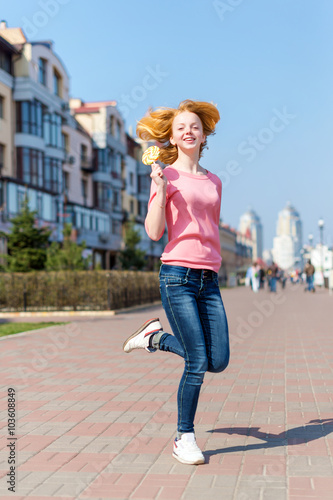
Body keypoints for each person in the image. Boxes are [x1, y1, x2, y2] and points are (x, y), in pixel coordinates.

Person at [122, 100, 230, 465]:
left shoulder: (214, 181)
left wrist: (215, 263)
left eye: (195, 126)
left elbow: (210, 229)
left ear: (203, 135)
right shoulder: (165, 176)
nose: (188, 131)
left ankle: (154, 338)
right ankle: (184, 436)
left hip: (208, 280)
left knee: (218, 361)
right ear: (171, 135)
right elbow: (154, 232)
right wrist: (158, 187)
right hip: (177, 277)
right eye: (181, 126)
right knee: (197, 361)